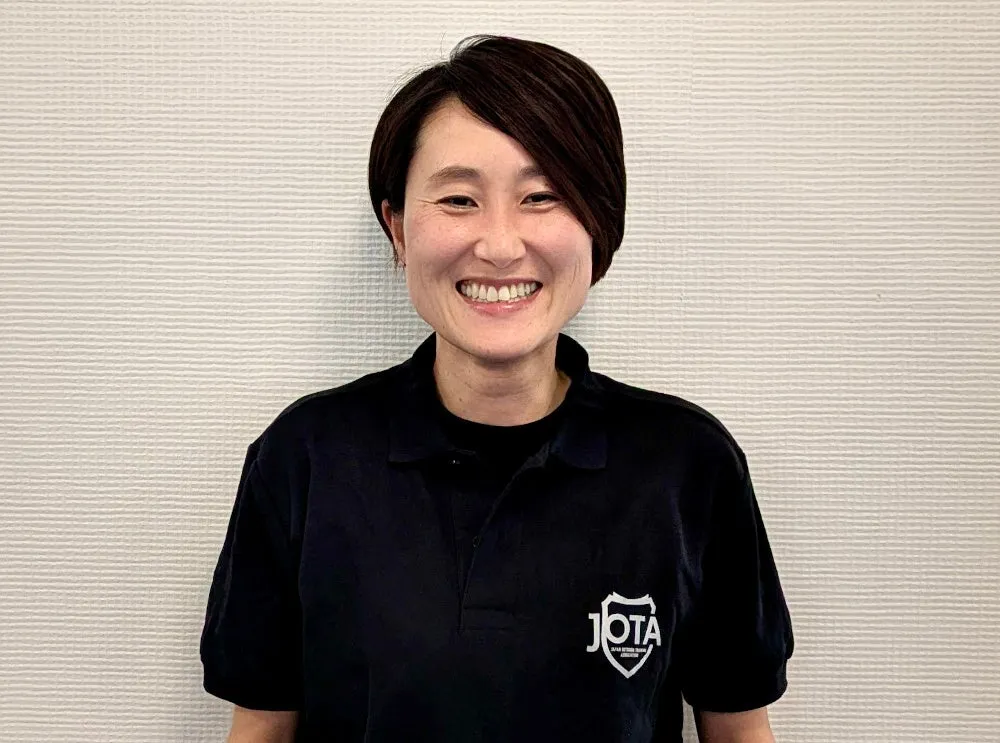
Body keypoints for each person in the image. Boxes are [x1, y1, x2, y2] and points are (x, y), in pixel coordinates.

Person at [199, 34, 794, 743]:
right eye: (459, 199)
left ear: (600, 225)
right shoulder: (305, 458)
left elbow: (740, 729)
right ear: (398, 229)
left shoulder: (688, 466)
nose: (501, 245)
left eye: (542, 196)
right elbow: (259, 730)